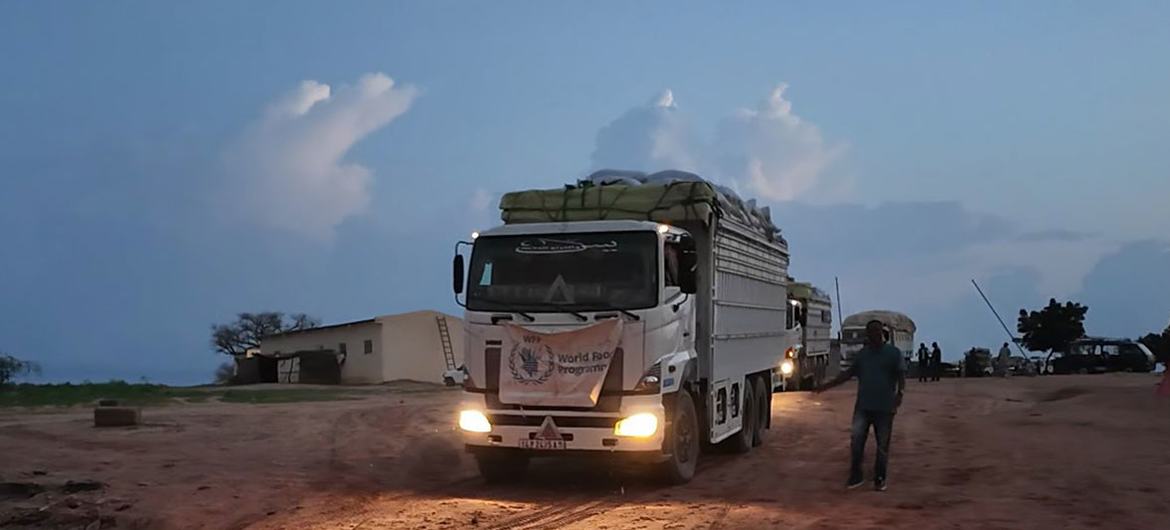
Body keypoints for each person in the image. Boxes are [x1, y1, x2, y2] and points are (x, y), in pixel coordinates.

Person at [815, 320, 906, 492]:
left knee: (882, 445)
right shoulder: (864, 355)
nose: (873, 336)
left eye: (876, 332)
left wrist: (900, 394)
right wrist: (826, 386)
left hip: (885, 407)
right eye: (870, 333)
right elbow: (848, 374)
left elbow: (901, 375)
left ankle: (880, 478)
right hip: (864, 406)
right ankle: (856, 474)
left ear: (882, 333)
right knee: (856, 440)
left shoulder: (893, 354)